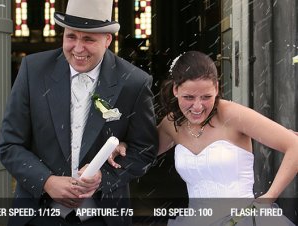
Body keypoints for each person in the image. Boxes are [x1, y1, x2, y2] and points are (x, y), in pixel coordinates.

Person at [0, 0, 158, 226]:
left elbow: (144, 150)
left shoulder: (134, 83)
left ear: (107, 40)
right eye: (71, 37)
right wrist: (47, 181)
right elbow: (9, 144)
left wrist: (102, 177)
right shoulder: (33, 70)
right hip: (37, 216)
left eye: (89, 39)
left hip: (102, 218)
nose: (78, 48)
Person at [109, 51, 298, 225]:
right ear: (175, 90)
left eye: (206, 97)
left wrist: (268, 198)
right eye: (189, 97)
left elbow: (295, 145)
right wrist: (123, 144)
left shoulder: (232, 115)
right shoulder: (172, 123)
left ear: (216, 88)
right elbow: (142, 151)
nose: (198, 107)